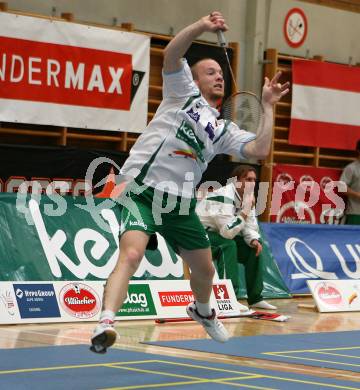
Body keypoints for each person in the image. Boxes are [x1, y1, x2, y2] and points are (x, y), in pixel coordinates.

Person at [90, 11, 289, 353]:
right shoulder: (181, 93)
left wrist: (268, 106)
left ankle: (202, 310)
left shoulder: (224, 130)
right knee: (133, 253)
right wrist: (201, 27)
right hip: (141, 189)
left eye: (219, 73)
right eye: (209, 72)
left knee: (205, 268)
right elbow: (171, 54)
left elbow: (259, 149)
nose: (218, 77)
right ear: (193, 80)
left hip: (180, 203)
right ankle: (105, 321)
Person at [196, 165, 277, 310]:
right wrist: (245, 210)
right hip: (200, 235)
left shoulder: (248, 197)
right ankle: (229, 297)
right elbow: (227, 232)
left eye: (254, 180)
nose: (252, 183)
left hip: (220, 233)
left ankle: (255, 298)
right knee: (228, 245)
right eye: (248, 179)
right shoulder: (222, 196)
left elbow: (249, 225)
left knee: (254, 249)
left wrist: (252, 239)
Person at [340, 140, 360, 225]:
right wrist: (357, 194)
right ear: (358, 150)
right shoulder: (351, 168)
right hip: (355, 213)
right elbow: (341, 188)